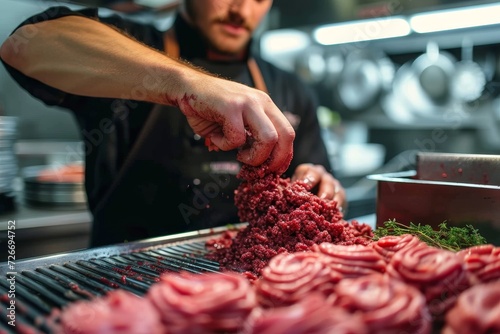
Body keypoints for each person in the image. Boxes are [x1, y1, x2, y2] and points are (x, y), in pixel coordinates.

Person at [0, 0, 346, 247]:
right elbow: (21, 45)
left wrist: (320, 188)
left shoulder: (291, 89)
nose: (242, 9)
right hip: (125, 283)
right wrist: (187, 84)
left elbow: (315, 176)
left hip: (250, 281)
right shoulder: (129, 46)